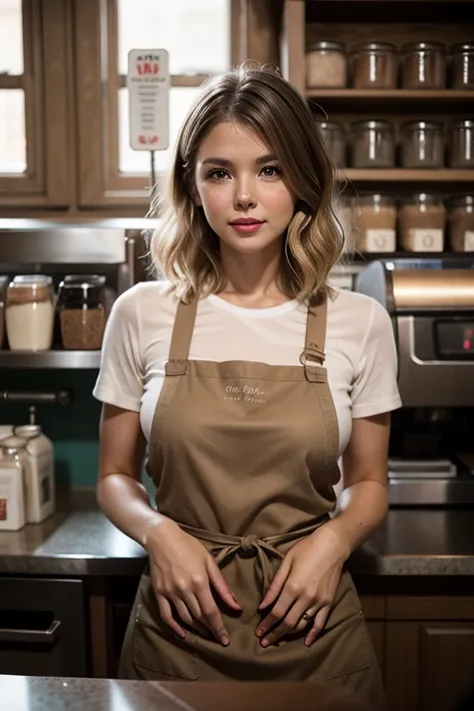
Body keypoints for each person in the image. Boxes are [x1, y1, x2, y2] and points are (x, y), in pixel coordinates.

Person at [93, 62, 401, 710]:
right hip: (178, 629)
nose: (243, 196)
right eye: (218, 172)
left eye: (269, 168)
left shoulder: (360, 322)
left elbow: (370, 483)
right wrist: (160, 534)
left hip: (313, 629)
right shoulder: (142, 312)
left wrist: (333, 542)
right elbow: (114, 476)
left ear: (303, 180)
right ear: (192, 185)